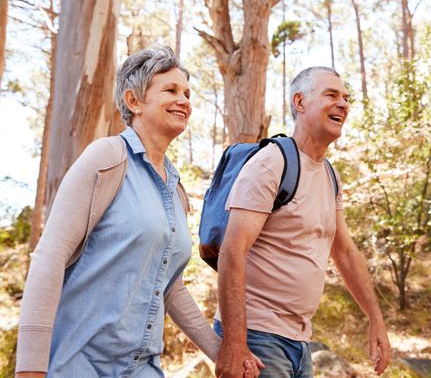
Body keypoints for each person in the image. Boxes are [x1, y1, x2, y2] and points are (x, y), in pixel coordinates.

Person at [15, 46, 261, 378]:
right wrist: (30, 368)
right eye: (171, 90)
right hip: (79, 364)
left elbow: (170, 286)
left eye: (187, 93)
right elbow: (50, 256)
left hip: (143, 367)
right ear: (134, 102)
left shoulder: (175, 188)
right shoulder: (107, 157)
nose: (184, 100)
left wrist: (222, 350)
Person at [214, 66, 392, 378]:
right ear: (300, 102)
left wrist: (375, 319)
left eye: (346, 98)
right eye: (331, 95)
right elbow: (232, 251)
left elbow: (346, 253)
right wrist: (234, 342)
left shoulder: (329, 175)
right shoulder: (271, 163)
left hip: (299, 341)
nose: (343, 104)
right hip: (257, 337)